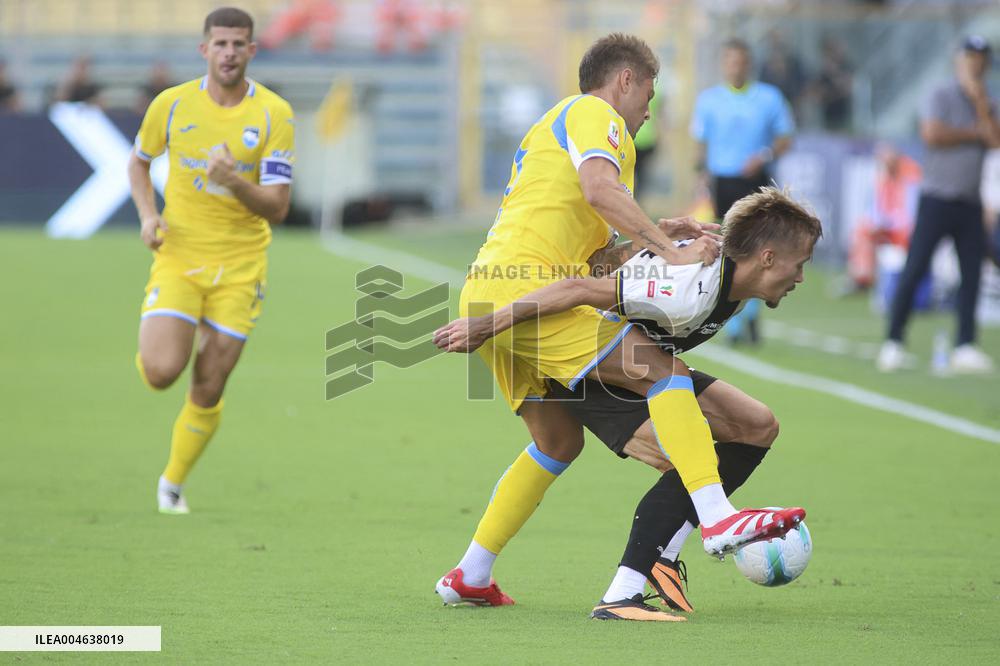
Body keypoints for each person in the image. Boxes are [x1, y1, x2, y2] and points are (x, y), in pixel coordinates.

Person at [436, 186, 822, 620]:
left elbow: (597, 267)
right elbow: (579, 287)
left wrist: (652, 237)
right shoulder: (687, 285)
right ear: (767, 258)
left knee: (754, 425)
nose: (801, 278)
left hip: (611, 354)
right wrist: (487, 324)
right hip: (573, 348)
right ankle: (629, 588)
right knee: (687, 459)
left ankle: (471, 573)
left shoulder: (713, 272)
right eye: (800, 264)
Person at [127, 7, 295, 514]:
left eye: (238, 44)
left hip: (241, 269)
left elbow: (279, 208)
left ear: (252, 50)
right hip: (180, 256)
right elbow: (139, 161)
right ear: (205, 50)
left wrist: (234, 181)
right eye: (219, 44)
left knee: (209, 383)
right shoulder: (173, 105)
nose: (228, 53)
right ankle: (165, 335)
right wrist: (147, 216)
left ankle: (171, 485)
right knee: (160, 373)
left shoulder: (273, 114)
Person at [878, 36, 999, 374]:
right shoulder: (940, 92)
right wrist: (974, 131)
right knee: (916, 267)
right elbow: (932, 134)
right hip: (937, 196)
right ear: (959, 60)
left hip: (971, 200)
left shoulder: (988, 100)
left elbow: (995, 140)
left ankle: (965, 344)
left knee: (972, 273)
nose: (976, 63)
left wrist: (980, 106)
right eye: (971, 57)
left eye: (981, 58)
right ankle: (894, 340)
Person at [691, 38, 794, 345]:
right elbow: (701, 144)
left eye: (741, 62)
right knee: (731, 247)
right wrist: (700, 177)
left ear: (749, 64)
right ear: (724, 64)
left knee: (762, 248)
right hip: (723, 182)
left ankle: (751, 315)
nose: (736, 67)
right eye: (731, 61)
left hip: (757, 181)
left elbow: (786, 138)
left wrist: (763, 154)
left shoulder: (769, 98)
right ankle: (735, 323)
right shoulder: (709, 100)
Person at [845, 144, 922, 293]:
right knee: (862, 230)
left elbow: (911, 214)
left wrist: (887, 224)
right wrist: (876, 223)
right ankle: (862, 279)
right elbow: (877, 209)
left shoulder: (911, 176)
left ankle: (869, 280)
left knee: (869, 232)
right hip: (890, 229)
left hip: (908, 231)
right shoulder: (885, 177)